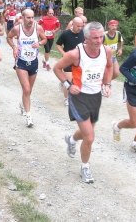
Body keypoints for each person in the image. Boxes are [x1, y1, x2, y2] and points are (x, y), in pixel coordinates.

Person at [53, 22, 113, 183]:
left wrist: (107, 84)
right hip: (78, 96)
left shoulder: (106, 51)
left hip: (95, 97)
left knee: (88, 132)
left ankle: (71, 140)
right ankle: (85, 167)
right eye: (95, 38)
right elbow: (57, 68)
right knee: (90, 136)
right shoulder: (75, 54)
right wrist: (68, 85)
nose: (99, 41)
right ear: (86, 38)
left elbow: (109, 67)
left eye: (101, 37)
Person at [6, 9, 47, 127]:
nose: (31, 20)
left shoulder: (38, 28)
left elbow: (44, 39)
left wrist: (39, 43)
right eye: (28, 18)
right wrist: (14, 47)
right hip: (21, 62)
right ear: (22, 18)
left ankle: (22, 103)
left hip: (33, 61)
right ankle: (29, 117)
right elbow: (9, 37)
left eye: (32, 17)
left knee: (29, 90)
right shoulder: (17, 29)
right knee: (27, 89)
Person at [55, 17, 85, 106]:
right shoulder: (66, 34)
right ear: (73, 24)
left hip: (80, 60)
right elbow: (58, 44)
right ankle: (66, 98)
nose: (79, 28)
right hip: (67, 60)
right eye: (78, 26)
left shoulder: (83, 33)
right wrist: (64, 54)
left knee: (80, 79)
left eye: (81, 26)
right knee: (68, 81)